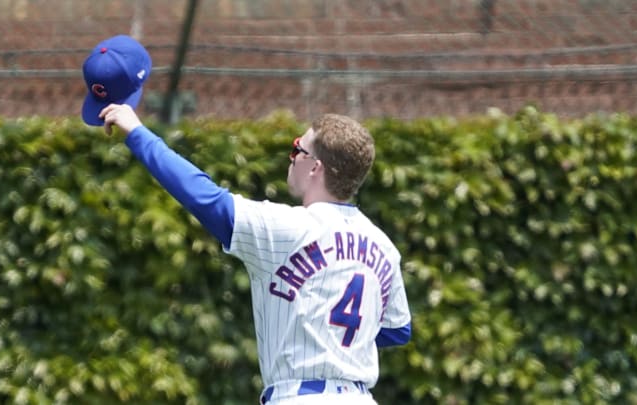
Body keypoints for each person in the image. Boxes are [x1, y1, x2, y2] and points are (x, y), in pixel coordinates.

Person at [97, 104, 412, 405]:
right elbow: (397, 331)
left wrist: (137, 133)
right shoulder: (384, 247)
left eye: (297, 149)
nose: (291, 157)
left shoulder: (287, 228)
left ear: (315, 166)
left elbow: (204, 198)